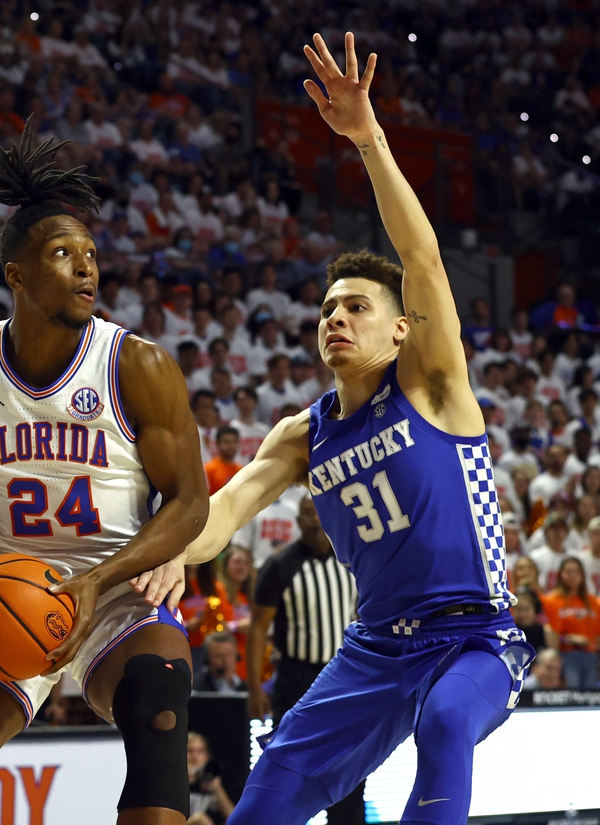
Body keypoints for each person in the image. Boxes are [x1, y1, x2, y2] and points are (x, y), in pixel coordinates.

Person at [132, 35, 534, 825]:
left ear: (400, 332)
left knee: (447, 721)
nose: (336, 318)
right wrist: (173, 548)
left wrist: (368, 139)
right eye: (327, 308)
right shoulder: (301, 433)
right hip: (375, 648)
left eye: (357, 307)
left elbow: (420, 254)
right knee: (271, 786)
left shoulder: (434, 383)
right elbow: (224, 513)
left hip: (476, 638)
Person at [0, 122, 208, 825]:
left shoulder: (137, 365)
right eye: (64, 254)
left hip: (114, 590)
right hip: (7, 590)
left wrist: (92, 583)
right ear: (17, 275)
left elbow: (187, 503)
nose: (87, 269)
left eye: (91, 255)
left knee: (157, 700)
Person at [246, 495, 363, 825]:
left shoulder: (351, 560)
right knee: (289, 771)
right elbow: (257, 629)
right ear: (297, 522)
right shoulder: (280, 565)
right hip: (296, 678)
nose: (314, 520)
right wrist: (255, 688)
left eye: (318, 513)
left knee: (350, 771)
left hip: (345, 677)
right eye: (306, 514)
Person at [540, 556, 600, 688]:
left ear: (582, 575)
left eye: (576, 572)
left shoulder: (593, 602)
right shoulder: (551, 601)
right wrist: (567, 638)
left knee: (591, 696)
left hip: (592, 656)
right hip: (565, 655)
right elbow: (549, 633)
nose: (572, 576)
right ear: (560, 574)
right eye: (568, 571)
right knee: (572, 692)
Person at [187, 731, 235, 825]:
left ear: (207, 756)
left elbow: (236, 820)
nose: (195, 756)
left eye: (200, 751)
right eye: (190, 751)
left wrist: (217, 790)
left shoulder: (213, 780)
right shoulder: (173, 780)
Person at [204, 426, 242, 494]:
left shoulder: (241, 470)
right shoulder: (209, 469)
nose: (230, 446)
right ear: (217, 444)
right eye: (226, 442)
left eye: (234, 442)